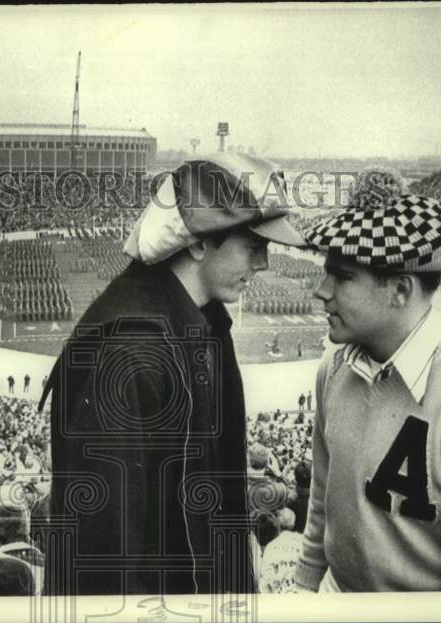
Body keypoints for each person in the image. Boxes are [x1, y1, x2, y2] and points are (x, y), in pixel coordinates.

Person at [40, 152, 306, 595]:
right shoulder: (126, 355)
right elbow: (105, 558)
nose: (262, 264)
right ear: (199, 242)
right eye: (253, 246)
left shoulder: (202, 324)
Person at [295, 168, 441, 592]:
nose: (322, 290)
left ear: (401, 290)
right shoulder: (333, 368)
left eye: (343, 276)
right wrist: (304, 585)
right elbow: (323, 504)